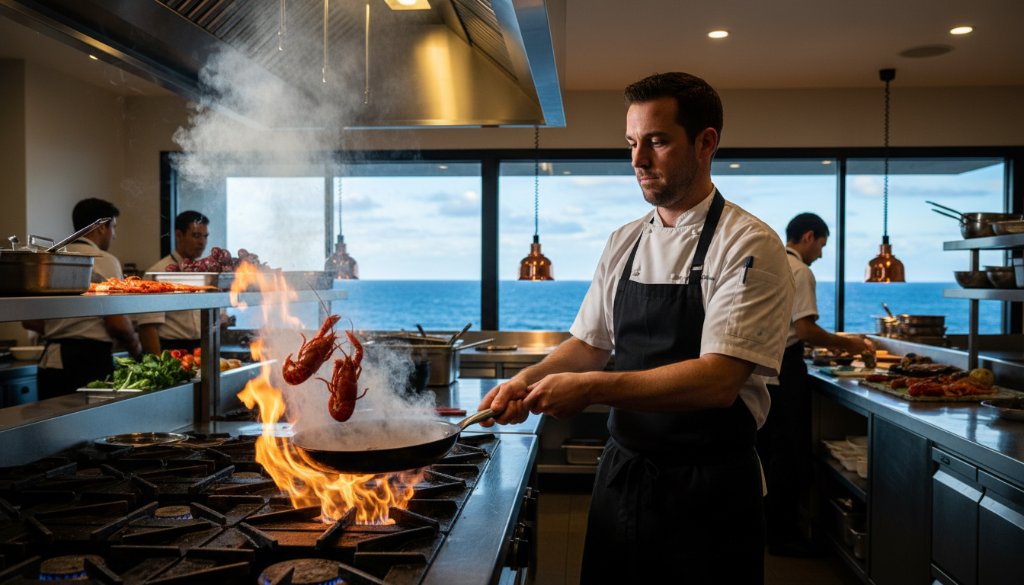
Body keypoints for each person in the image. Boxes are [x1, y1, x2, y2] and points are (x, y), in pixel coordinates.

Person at [478, 72, 795, 584]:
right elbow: (587, 345)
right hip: (623, 482)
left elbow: (718, 381)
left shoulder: (748, 243)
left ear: (706, 142)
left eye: (658, 141)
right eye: (631, 143)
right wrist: (527, 380)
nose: (638, 160)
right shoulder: (624, 241)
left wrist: (590, 389)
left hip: (709, 493)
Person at [759, 212, 872, 556]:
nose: (822, 253)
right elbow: (805, 330)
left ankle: (768, 531)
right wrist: (853, 345)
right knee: (790, 455)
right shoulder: (800, 271)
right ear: (809, 236)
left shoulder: (770, 263)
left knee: (769, 454)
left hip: (764, 372)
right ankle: (784, 536)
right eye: (822, 244)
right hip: (786, 370)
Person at [22, 198, 142, 399]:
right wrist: (136, 347)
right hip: (89, 360)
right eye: (113, 227)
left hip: (50, 360)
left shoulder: (50, 258)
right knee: (92, 425)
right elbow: (117, 324)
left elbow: (29, 320)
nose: (114, 235)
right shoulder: (103, 260)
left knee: (52, 426)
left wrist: (61, 327)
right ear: (101, 227)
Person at [137, 210, 210, 354]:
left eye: (205, 236)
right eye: (196, 236)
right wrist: (159, 367)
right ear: (178, 235)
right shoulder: (158, 273)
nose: (202, 242)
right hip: (172, 349)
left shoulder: (206, 272)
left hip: (204, 347)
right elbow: (148, 327)